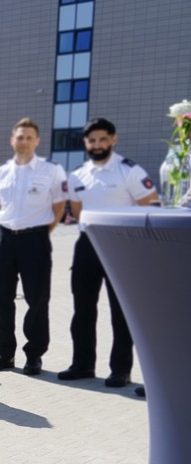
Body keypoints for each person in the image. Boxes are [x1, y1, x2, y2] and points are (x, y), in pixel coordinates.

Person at [60, 117, 156, 389]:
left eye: (103, 139)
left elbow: (150, 205)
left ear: (113, 139)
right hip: (87, 245)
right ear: (85, 143)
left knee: (120, 312)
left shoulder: (130, 171)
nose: (97, 145)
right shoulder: (77, 174)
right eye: (92, 140)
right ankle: (83, 365)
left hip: (123, 247)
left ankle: (120, 370)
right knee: (83, 310)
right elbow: (79, 212)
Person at [0, 118, 68, 376]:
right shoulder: (1, 172)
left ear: (37, 141)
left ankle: (34, 356)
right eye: (20, 137)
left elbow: (58, 208)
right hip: (5, 239)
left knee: (37, 299)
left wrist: (40, 232)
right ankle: (6, 353)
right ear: (13, 140)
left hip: (36, 240)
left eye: (29, 137)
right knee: (0, 298)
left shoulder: (51, 171)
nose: (24, 141)